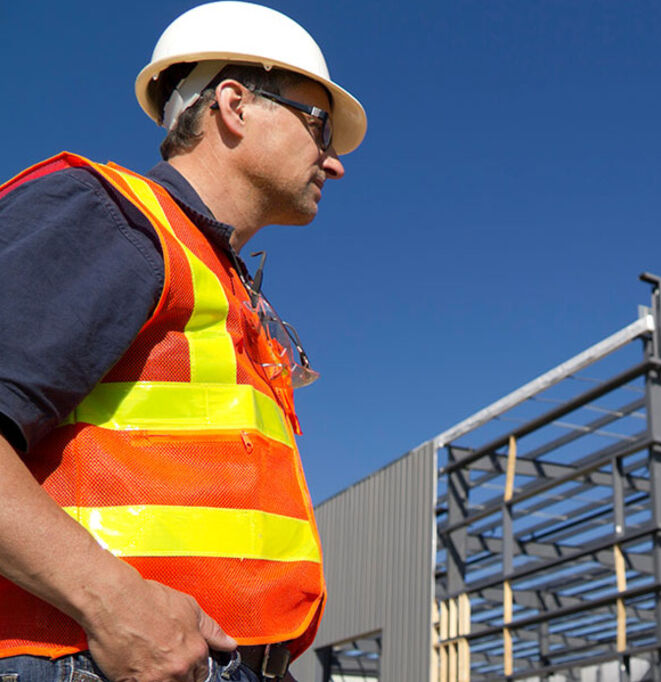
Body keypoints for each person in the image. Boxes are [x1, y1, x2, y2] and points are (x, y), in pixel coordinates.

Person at [0, 2, 366, 681]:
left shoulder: (220, 285)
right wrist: (111, 602)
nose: (335, 163)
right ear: (235, 105)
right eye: (319, 126)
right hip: (95, 658)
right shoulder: (113, 218)